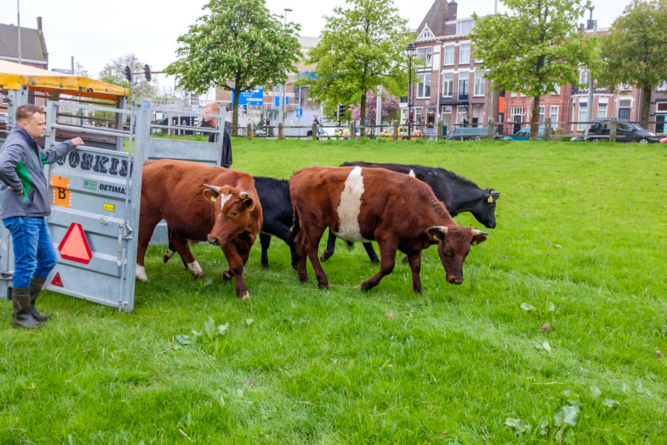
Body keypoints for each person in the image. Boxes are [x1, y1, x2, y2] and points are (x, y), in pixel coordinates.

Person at [0, 104, 83, 329]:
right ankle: (21, 317)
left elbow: (47, 156)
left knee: (47, 259)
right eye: (41, 123)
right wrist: (17, 187)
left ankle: (29, 309)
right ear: (25, 124)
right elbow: (3, 165)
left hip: (34, 214)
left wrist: (70, 144)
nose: (45, 127)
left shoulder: (29, 145)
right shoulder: (17, 143)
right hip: (22, 213)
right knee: (26, 264)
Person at [199, 102, 233, 168]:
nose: (204, 115)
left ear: (215, 114)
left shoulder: (221, 133)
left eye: (207, 113)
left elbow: (222, 158)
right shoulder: (214, 130)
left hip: (220, 172)